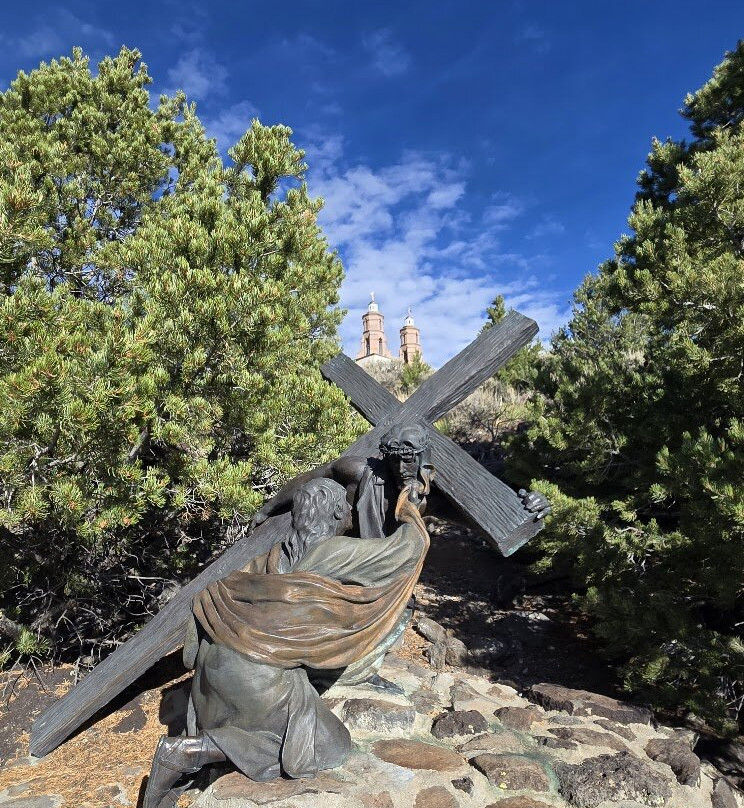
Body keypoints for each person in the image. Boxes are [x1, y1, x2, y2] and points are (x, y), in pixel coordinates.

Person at [143, 478, 429, 808]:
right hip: (258, 678)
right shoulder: (336, 552)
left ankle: (185, 763)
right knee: (326, 744)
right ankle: (189, 752)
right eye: (349, 507)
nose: (352, 513)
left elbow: (204, 620)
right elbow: (406, 550)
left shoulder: (269, 559)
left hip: (211, 673)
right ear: (337, 511)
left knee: (260, 711)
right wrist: (409, 505)